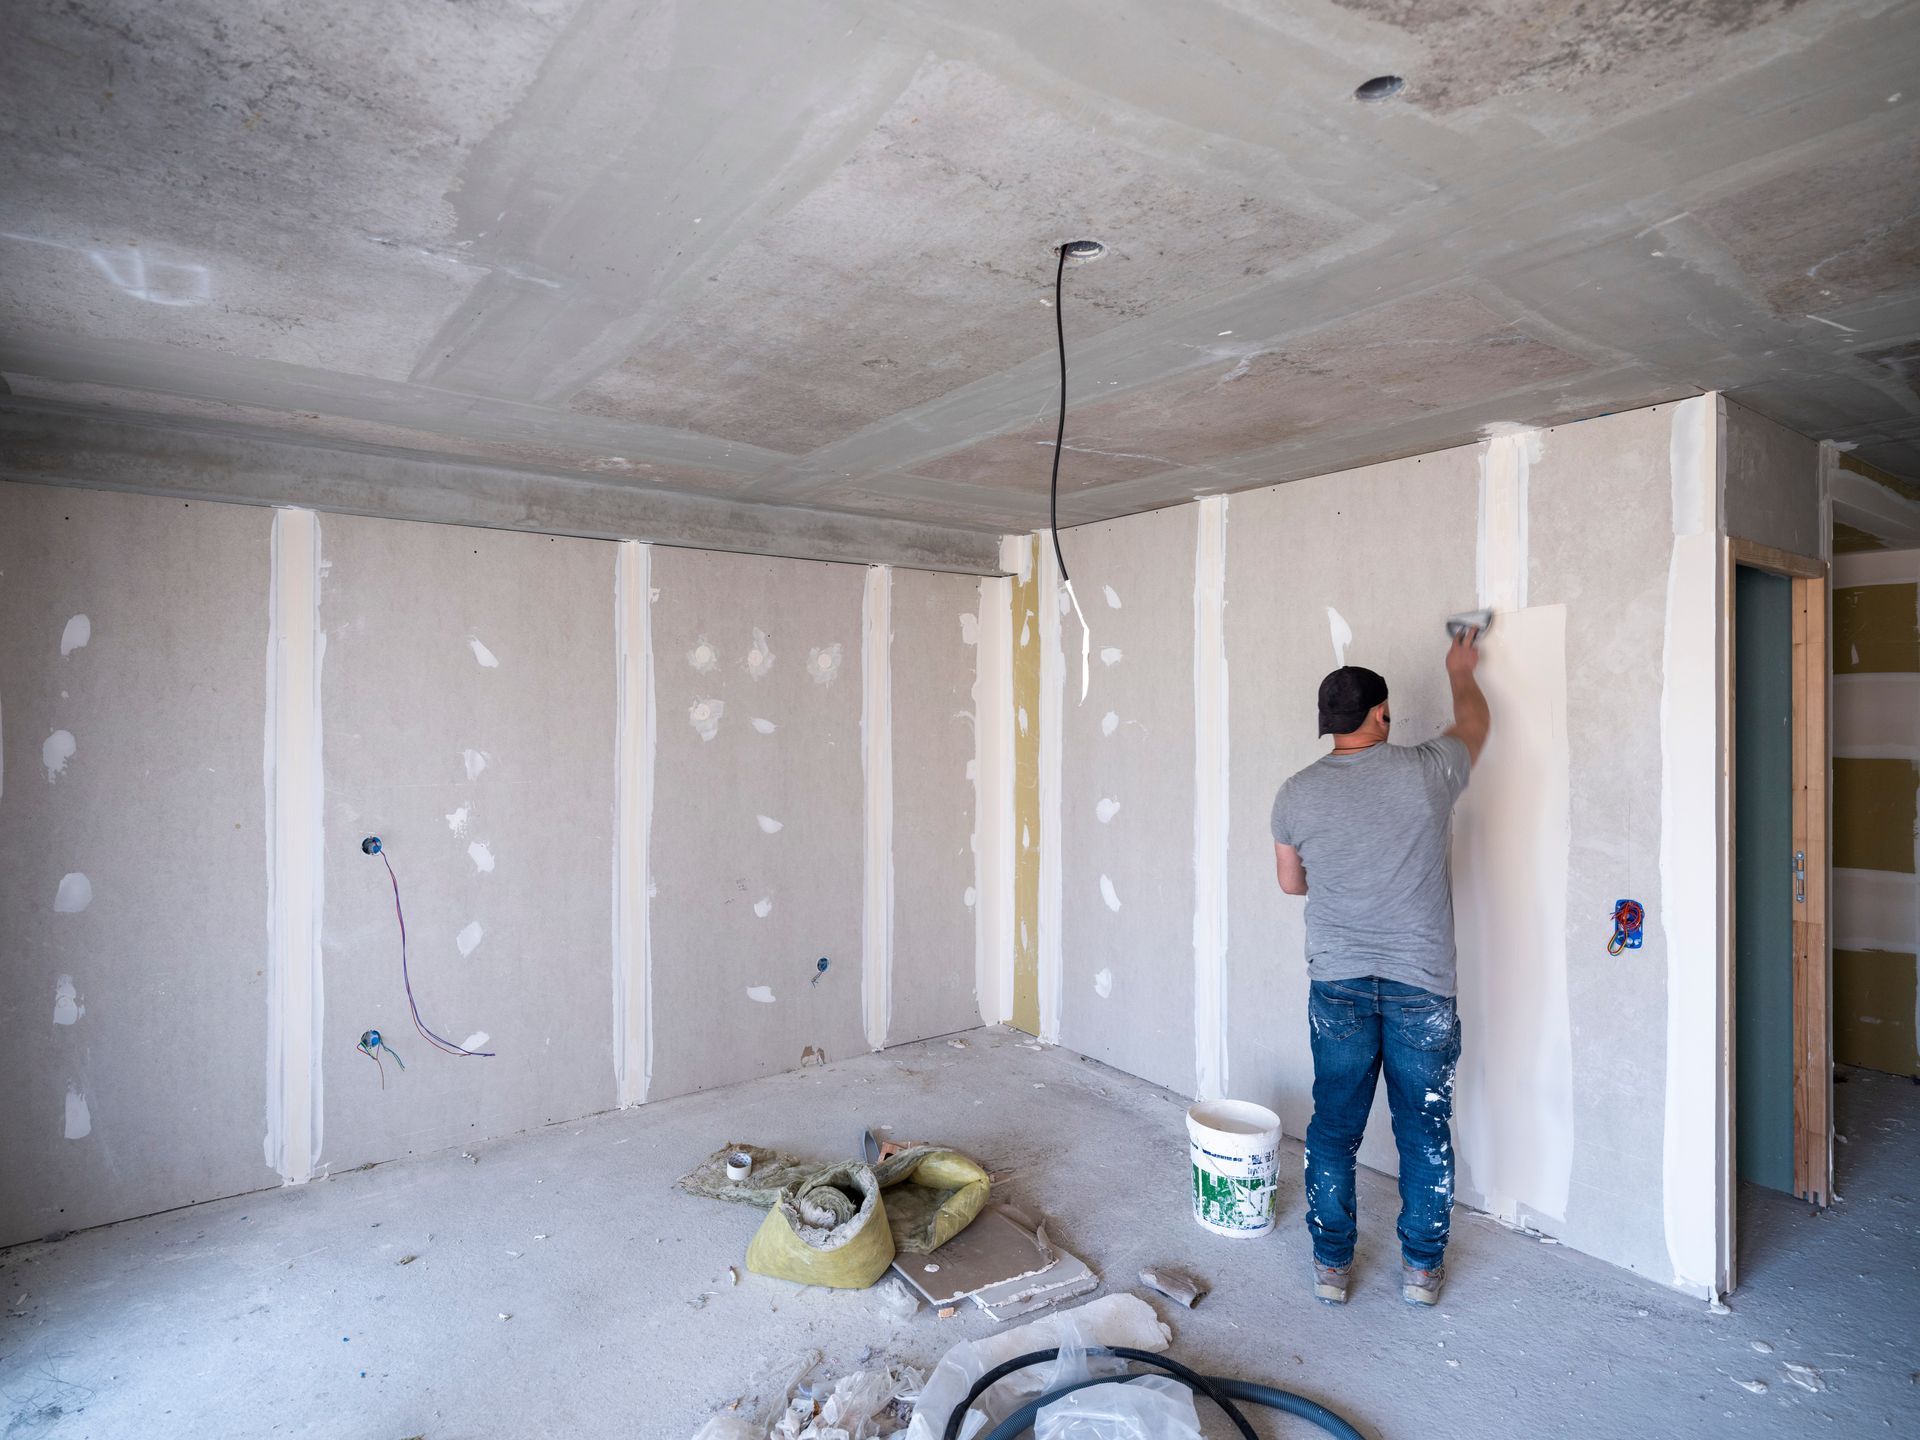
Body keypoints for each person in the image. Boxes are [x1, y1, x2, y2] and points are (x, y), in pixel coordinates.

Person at [1269, 631, 1489, 1307]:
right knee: (1423, 1127)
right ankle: (1421, 1272)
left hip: (1337, 982)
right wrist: (1460, 669)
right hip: (1421, 985)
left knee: (1334, 1126)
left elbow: (1291, 884)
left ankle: (1332, 1268)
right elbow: (1476, 723)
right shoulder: (1427, 771)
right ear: (1380, 717)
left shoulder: (1295, 793)